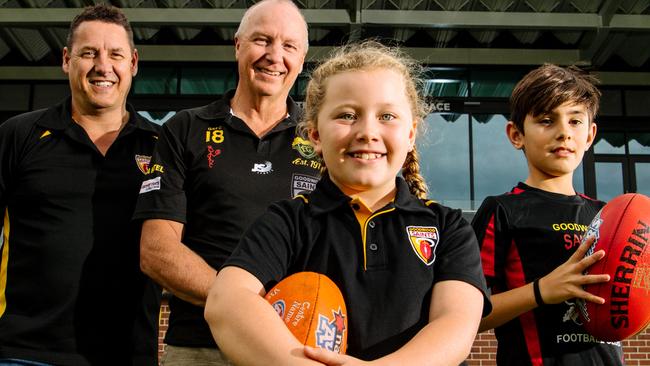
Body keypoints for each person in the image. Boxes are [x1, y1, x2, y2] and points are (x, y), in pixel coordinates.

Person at [204, 41, 491, 365]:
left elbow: (456, 324)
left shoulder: (448, 227)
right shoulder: (287, 221)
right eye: (347, 115)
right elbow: (226, 301)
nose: (368, 131)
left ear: (410, 134)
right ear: (314, 135)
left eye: (387, 115)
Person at [133, 0, 320, 363]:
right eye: (262, 40)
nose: (274, 55)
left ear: (302, 58)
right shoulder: (184, 129)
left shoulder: (321, 138)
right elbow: (156, 250)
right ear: (238, 45)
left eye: (289, 46)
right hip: (199, 347)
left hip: (297, 348)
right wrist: (242, 305)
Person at [0, 4, 160, 365]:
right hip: (25, 354)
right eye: (89, 53)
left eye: (115, 54)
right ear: (66, 60)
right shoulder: (18, 136)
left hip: (129, 354)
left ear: (133, 63)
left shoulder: (161, 146)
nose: (103, 66)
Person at [471, 64, 625, 365]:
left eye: (575, 121)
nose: (564, 132)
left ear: (590, 135)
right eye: (546, 120)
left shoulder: (609, 216)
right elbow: (465, 315)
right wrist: (541, 291)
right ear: (517, 134)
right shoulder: (502, 210)